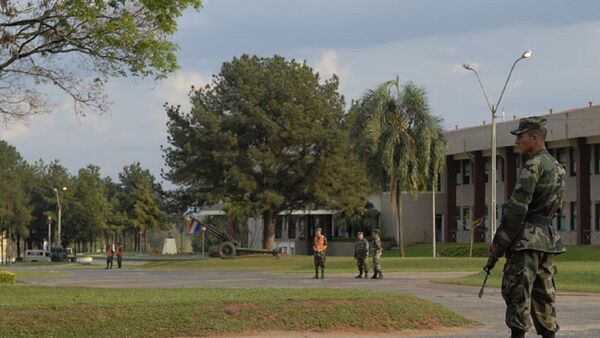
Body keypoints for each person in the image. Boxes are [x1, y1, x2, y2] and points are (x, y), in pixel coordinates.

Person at [487, 116, 566, 338]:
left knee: (517, 294)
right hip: (547, 241)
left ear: (534, 138)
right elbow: (555, 207)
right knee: (544, 297)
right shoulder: (558, 168)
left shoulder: (533, 166)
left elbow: (516, 211)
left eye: (520, 136)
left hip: (525, 241)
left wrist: (498, 246)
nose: (516, 141)